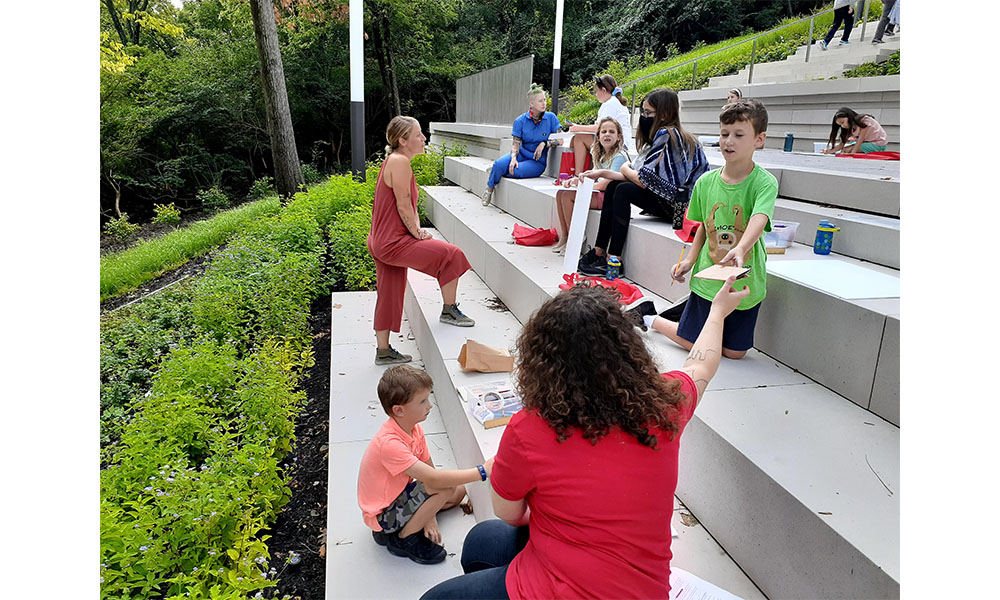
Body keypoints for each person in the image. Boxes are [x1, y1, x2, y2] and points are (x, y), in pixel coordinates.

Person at [420, 278, 749, 599]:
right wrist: (718, 311)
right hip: (643, 588)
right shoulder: (665, 403)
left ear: (541, 363)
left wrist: (565, 520)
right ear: (627, 350)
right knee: (482, 540)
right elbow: (701, 366)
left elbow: (509, 513)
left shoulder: (530, 428)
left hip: (554, 586)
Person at [648, 98, 777, 361]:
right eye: (724, 134)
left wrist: (741, 248)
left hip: (745, 278)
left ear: (759, 139)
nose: (728, 141)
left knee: (734, 352)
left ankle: (682, 318)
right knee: (698, 345)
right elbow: (704, 229)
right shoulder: (705, 183)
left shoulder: (765, 183)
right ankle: (653, 319)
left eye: (739, 135)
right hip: (709, 276)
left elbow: (759, 218)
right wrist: (691, 260)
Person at [357, 365, 495, 565]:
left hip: (400, 497)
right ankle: (404, 538)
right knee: (444, 488)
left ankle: (418, 519)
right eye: (422, 401)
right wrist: (482, 472)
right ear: (399, 410)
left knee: (458, 492)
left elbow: (429, 470)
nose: (429, 405)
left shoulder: (414, 429)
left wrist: (430, 517)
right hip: (383, 516)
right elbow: (433, 480)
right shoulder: (389, 444)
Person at [368, 116, 474, 366]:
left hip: (381, 240)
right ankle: (449, 310)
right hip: (393, 242)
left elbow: (408, 204)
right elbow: (404, 205)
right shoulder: (400, 162)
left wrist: (418, 229)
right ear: (403, 141)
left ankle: (383, 351)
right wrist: (417, 233)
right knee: (452, 254)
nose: (424, 138)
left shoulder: (394, 161)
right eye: (418, 135)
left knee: (389, 292)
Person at [577, 87, 708, 278]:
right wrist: (602, 173)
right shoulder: (672, 135)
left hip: (681, 210)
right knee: (615, 186)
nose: (644, 117)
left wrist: (623, 168)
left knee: (622, 190)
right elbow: (641, 177)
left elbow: (644, 180)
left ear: (663, 113)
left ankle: (614, 260)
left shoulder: (668, 135)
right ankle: (599, 252)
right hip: (676, 203)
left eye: (648, 113)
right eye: (643, 112)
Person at [551, 117, 629, 254]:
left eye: (611, 132)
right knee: (560, 193)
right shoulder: (601, 155)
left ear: (619, 137)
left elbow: (608, 183)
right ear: (598, 137)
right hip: (598, 192)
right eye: (603, 132)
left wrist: (586, 187)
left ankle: (576, 237)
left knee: (568, 196)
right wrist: (576, 181)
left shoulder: (619, 156)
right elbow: (593, 176)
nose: (607, 134)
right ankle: (565, 235)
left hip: (609, 197)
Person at [483, 84, 562, 207]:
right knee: (499, 164)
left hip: (537, 161)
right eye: (540, 101)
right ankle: (489, 189)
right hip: (520, 155)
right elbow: (515, 144)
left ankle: (496, 172)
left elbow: (560, 140)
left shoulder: (551, 118)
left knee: (515, 171)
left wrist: (545, 143)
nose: (544, 103)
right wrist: (513, 158)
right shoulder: (520, 121)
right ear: (531, 104)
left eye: (545, 100)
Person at [566, 75, 635, 176]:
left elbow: (600, 128)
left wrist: (577, 127)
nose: (596, 95)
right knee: (574, 141)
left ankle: (578, 174)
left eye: (596, 91)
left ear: (603, 90)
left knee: (579, 139)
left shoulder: (610, 104)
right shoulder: (611, 102)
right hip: (618, 140)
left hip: (620, 143)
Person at [822, 107, 888, 155]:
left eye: (842, 122)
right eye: (840, 125)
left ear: (849, 117)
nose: (843, 126)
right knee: (844, 150)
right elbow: (842, 144)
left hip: (878, 144)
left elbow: (861, 138)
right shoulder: (850, 128)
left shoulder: (864, 120)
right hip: (866, 143)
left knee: (848, 150)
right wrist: (830, 151)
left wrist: (853, 153)